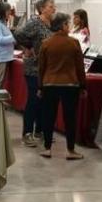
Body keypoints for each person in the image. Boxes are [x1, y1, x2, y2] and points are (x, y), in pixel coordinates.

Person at [38, 12, 86, 160]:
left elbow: (41, 67)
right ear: (63, 25)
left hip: (50, 83)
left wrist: (40, 87)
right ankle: (70, 150)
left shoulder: (46, 43)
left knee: (48, 116)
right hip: (70, 84)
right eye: (68, 23)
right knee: (70, 118)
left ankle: (47, 148)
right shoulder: (73, 43)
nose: (69, 26)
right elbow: (80, 67)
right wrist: (83, 86)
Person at [14, 0, 55, 147]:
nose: (53, 9)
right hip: (33, 68)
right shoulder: (34, 23)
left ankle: (40, 130)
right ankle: (27, 133)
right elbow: (18, 34)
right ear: (42, 9)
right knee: (33, 100)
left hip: (47, 68)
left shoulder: (51, 24)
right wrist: (28, 47)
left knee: (43, 100)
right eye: (51, 6)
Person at [0, 2, 15, 90]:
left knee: (0, 82)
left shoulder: (2, 23)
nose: (9, 13)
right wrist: (13, 37)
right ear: (2, 12)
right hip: (0, 56)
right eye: (8, 11)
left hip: (4, 56)